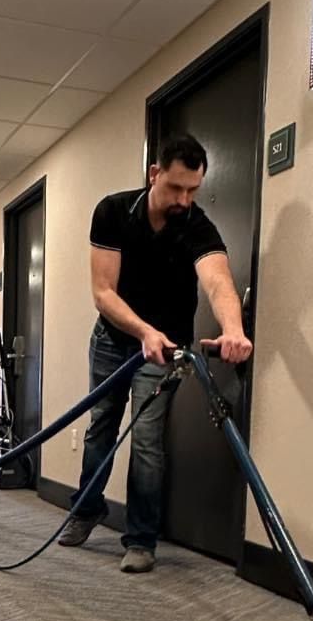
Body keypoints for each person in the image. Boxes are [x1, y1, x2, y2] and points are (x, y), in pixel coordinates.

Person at [58, 134, 253, 573]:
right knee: (101, 427)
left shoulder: (196, 226)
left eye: (193, 190)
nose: (184, 199)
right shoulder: (112, 212)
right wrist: (143, 329)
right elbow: (102, 292)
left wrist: (234, 329)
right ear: (154, 174)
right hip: (113, 340)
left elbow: (218, 281)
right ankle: (86, 511)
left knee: (146, 439)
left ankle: (142, 539)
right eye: (176, 188)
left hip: (165, 351)